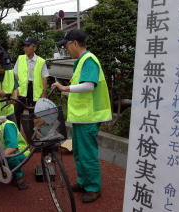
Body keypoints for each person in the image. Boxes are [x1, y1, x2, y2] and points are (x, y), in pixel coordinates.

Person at [52, 29, 112, 203]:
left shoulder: (89, 60)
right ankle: (84, 182)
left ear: (75, 44)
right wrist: (66, 89)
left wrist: (65, 88)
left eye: (67, 46)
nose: (66, 50)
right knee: (79, 152)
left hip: (89, 117)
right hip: (82, 116)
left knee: (87, 154)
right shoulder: (82, 61)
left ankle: (93, 188)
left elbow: (89, 86)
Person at [0, 118, 30, 190]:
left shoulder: (7, 126)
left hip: (19, 152)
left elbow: (12, 148)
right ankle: (1, 167)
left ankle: (18, 178)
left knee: (12, 158)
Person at [13, 37, 49, 128]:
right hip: (22, 89)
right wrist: (16, 89)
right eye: (24, 45)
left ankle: (33, 135)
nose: (25, 48)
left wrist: (44, 93)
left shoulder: (41, 61)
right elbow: (15, 74)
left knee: (34, 114)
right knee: (16, 113)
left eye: (28, 46)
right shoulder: (20, 58)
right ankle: (17, 134)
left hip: (35, 91)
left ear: (34, 48)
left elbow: (44, 77)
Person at [0, 51, 18, 123]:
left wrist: (14, 97)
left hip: (9, 112)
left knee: (14, 132)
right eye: (2, 66)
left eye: (6, 67)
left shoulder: (10, 72)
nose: (4, 69)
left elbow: (15, 87)